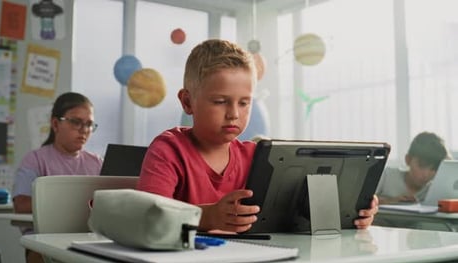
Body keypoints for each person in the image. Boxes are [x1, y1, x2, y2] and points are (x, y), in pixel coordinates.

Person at [137, 39, 379, 233]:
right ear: (187, 101)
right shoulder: (168, 150)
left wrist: (352, 211)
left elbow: (292, 216)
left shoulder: (260, 157)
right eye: (220, 101)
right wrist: (207, 217)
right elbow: (147, 217)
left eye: (244, 103)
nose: (233, 114)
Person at [12, 92, 102, 263]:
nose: (84, 130)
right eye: (76, 122)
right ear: (55, 123)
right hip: (44, 240)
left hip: (89, 238)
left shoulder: (97, 162)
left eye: (89, 124)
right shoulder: (35, 159)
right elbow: (21, 205)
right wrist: (75, 204)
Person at [376, 131, 452, 205]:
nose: (426, 174)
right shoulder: (386, 176)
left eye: (434, 169)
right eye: (422, 166)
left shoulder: (434, 190)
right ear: (408, 159)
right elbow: (365, 199)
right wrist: (390, 201)